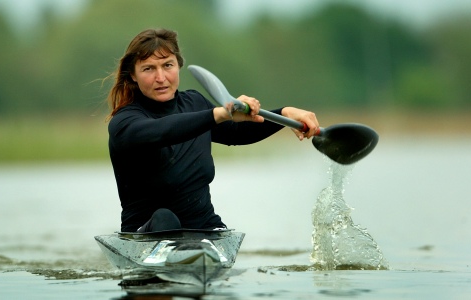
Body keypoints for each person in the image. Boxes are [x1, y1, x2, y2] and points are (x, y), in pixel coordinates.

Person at [106, 28, 320, 233]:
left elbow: (238, 133)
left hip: (204, 229)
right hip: (145, 233)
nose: (161, 77)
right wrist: (220, 114)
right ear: (133, 75)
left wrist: (285, 114)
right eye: (148, 69)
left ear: (178, 66)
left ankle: (206, 246)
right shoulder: (124, 122)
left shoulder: (195, 103)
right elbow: (163, 131)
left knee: (211, 226)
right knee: (164, 218)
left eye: (167, 65)